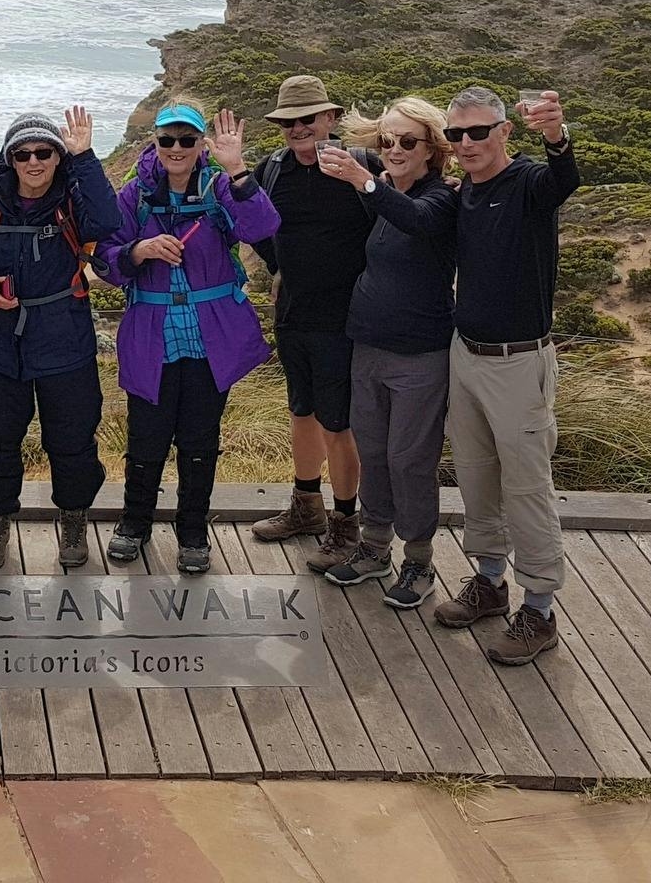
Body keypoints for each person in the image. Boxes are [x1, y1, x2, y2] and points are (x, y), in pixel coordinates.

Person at [430, 85, 578, 665]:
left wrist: (557, 136)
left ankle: (539, 610)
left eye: (479, 132)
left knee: (527, 489)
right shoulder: (465, 189)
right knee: (475, 476)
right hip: (466, 354)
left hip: (520, 361)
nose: (467, 143)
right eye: (456, 134)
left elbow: (562, 179)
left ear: (504, 133)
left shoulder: (528, 184)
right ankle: (490, 581)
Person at [97, 102, 280, 573]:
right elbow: (106, 260)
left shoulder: (220, 188)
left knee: (200, 440)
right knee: (146, 439)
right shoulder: (134, 195)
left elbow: (263, 227)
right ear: (155, 143)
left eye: (186, 140)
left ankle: (193, 530)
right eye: (167, 140)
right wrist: (140, 250)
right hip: (152, 339)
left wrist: (237, 168)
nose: (176, 148)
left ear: (201, 145)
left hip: (208, 340)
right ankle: (134, 523)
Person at [0, 106, 121, 571]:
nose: (34, 161)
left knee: (71, 438)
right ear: (10, 158)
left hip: (64, 337)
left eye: (44, 152)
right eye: (23, 153)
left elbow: (107, 222)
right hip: (0, 341)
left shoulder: (74, 199)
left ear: (57, 156)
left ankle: (73, 517)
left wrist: (85, 157)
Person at [315, 98, 458, 609]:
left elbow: (416, 221)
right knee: (372, 451)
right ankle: (375, 548)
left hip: (420, 354)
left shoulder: (441, 198)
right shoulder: (382, 193)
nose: (394, 149)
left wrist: (364, 180)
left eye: (407, 142)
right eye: (387, 140)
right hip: (368, 346)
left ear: (433, 150)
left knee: (409, 459)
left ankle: (419, 560)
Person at [248, 75, 375, 574]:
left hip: (345, 319)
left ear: (331, 119)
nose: (298, 129)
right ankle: (306, 506)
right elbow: (253, 223)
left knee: (338, 422)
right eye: (289, 121)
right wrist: (275, 266)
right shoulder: (273, 169)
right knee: (301, 411)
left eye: (308, 118)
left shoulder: (359, 167)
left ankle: (346, 523)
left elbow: (398, 212)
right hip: (293, 315)